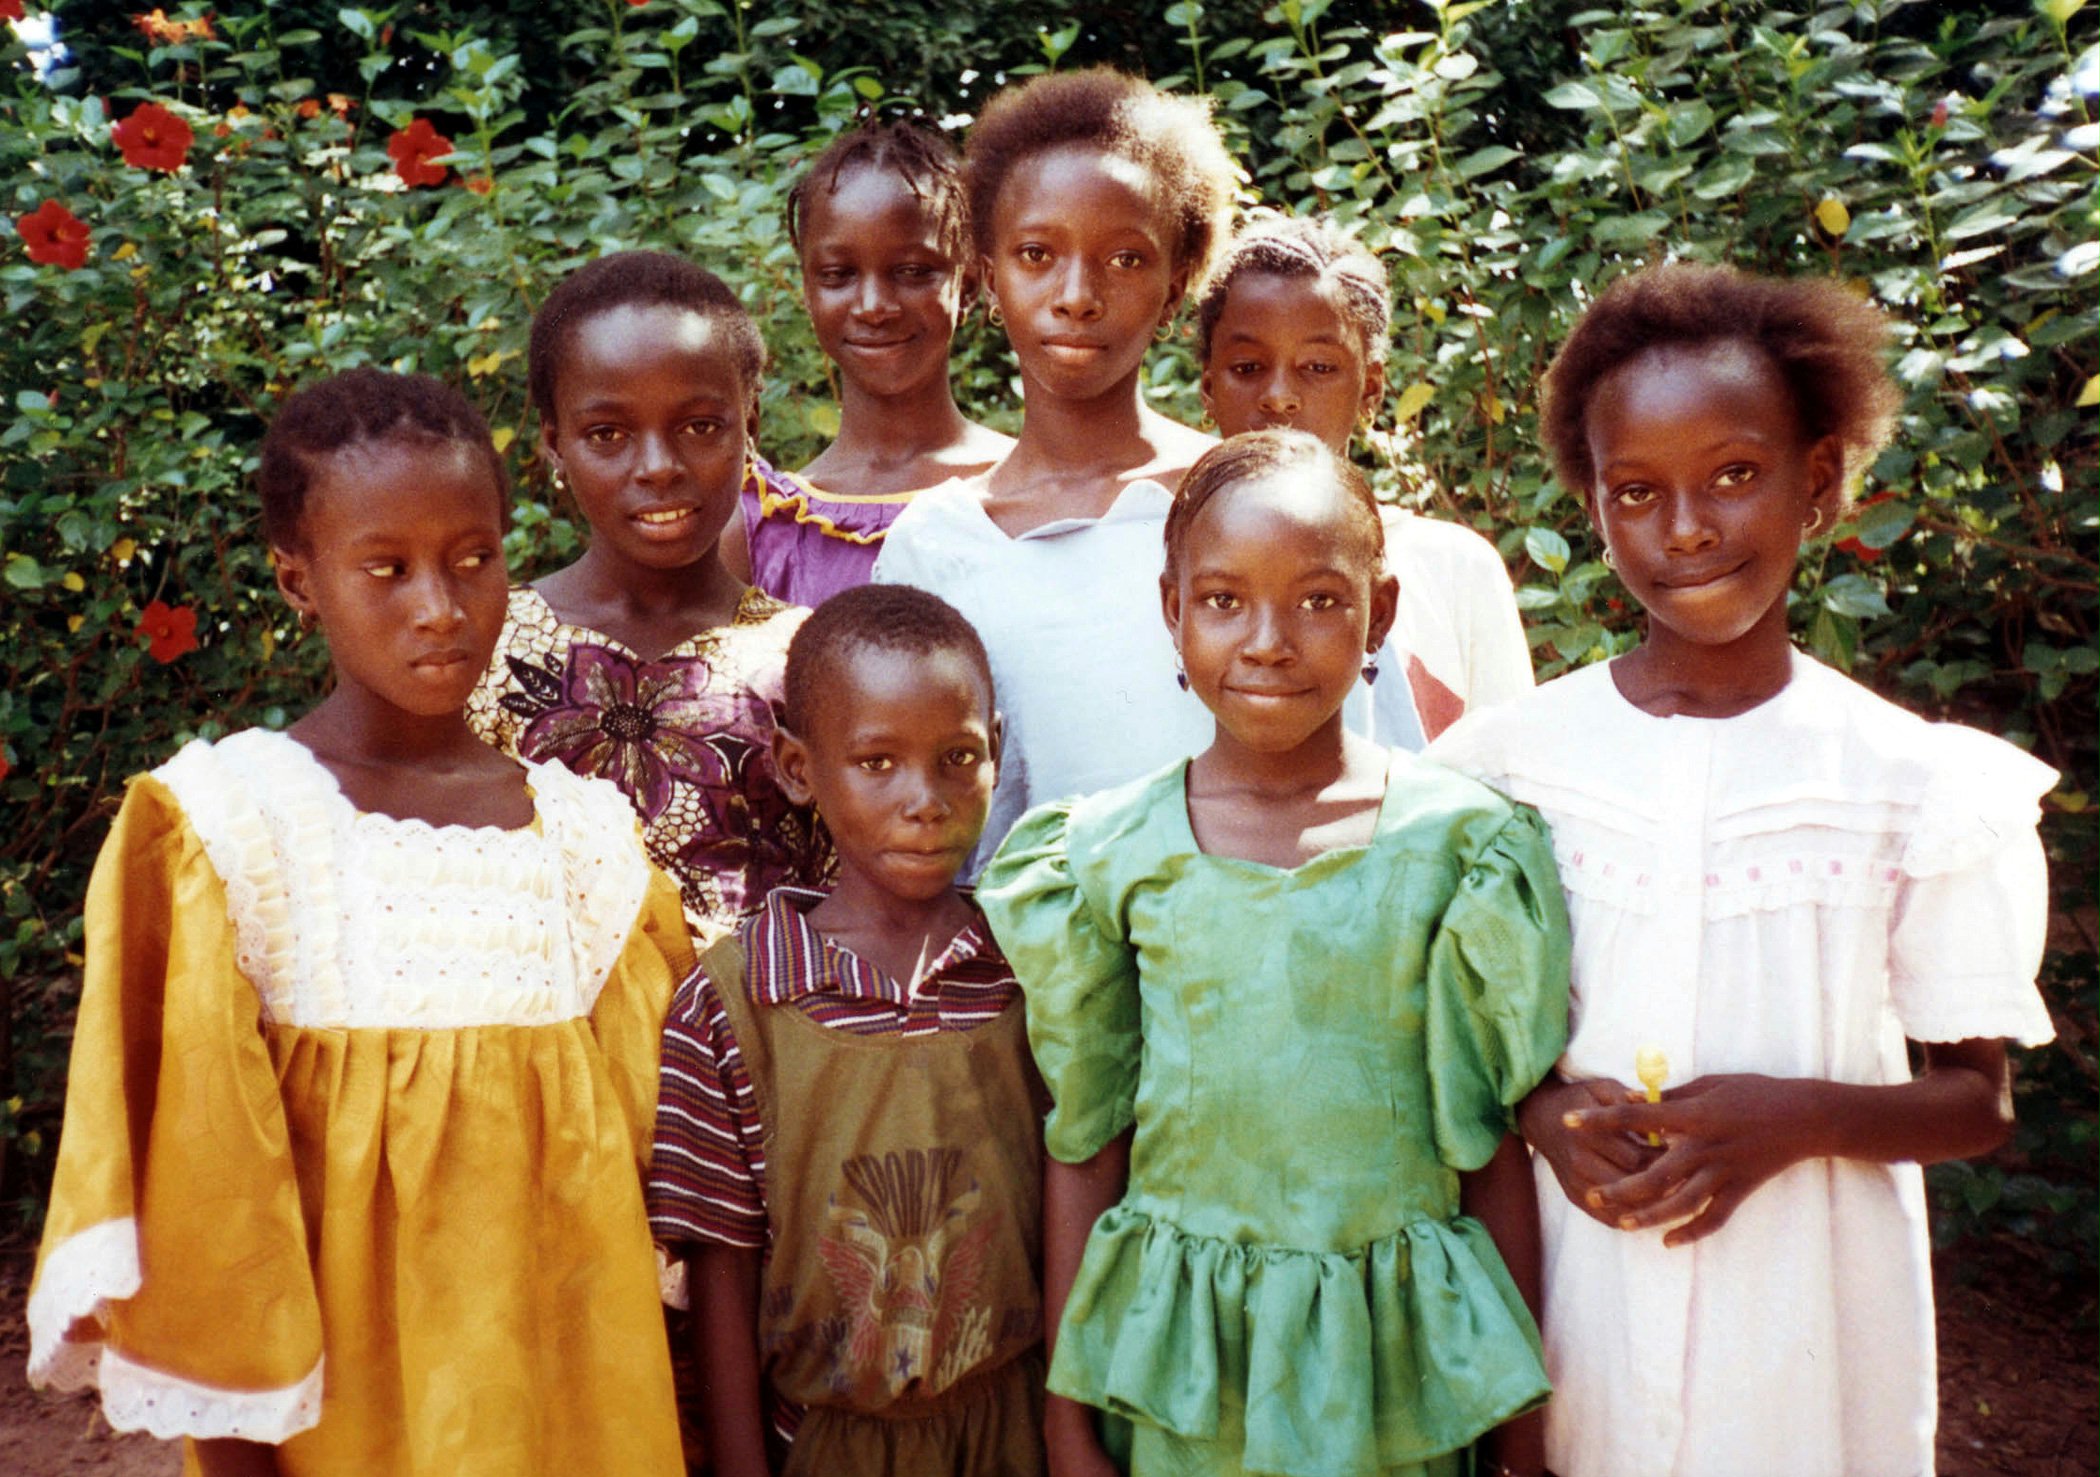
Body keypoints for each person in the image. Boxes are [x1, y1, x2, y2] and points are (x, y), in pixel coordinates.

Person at [1427, 262, 2058, 1477]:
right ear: (1594, 509)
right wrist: (1546, 1113)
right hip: (1578, 1302)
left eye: (1733, 474)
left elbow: (1977, 1102)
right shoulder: (1507, 769)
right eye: (1637, 492)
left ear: (1816, 483)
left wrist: (1796, 1117)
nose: (1688, 529)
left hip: (1809, 1330)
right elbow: (1457, 1048)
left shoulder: (1905, 782)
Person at [26, 369, 690, 1476]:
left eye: (474, 558)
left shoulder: (583, 841)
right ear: (300, 580)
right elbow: (211, 1208)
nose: (441, 604)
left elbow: (648, 1166)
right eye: (386, 569)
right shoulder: (234, 830)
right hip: (349, 1429)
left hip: (575, 1408)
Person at [982, 430, 1570, 1477]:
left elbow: (1488, 1153)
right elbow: (1086, 1143)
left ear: (1378, 613)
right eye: (1222, 601)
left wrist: (1519, 1432)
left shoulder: (1462, 848)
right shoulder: (1105, 858)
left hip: (1391, 1367)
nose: (1267, 640)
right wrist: (1069, 1418)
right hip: (1180, 1370)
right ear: (1172, 610)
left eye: (1318, 600)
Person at [648, 583, 1046, 1475]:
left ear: (998, 755)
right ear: (798, 767)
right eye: (877, 762)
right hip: (821, 1443)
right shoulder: (738, 1000)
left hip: (1013, 1430)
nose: (926, 800)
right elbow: (721, 1272)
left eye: (957, 757)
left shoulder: (1033, 968)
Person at [873, 67, 1236, 869]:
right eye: (1037, 253)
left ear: (1178, 285)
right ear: (989, 273)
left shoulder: (1243, 504)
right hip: (1020, 984)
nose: (1077, 295)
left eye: (1125, 260)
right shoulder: (936, 546)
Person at [467, 249, 828, 945]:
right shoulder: (486, 648)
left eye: (699, 426)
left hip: (758, 1044)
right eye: (609, 434)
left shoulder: (807, 659)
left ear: (750, 426)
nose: (658, 467)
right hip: (544, 1048)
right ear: (554, 444)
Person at [1194, 211, 1531, 746]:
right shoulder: (1180, 566)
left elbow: (1510, 771)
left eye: (1319, 368)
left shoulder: (1452, 568)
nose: (1279, 394)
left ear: (1371, 389)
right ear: (1208, 388)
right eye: (1248, 367)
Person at [721, 118, 1014, 608]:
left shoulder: (1031, 494)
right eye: (839, 275)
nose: (874, 306)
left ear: (966, 286)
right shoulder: (760, 528)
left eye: (913, 271)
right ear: (809, 291)